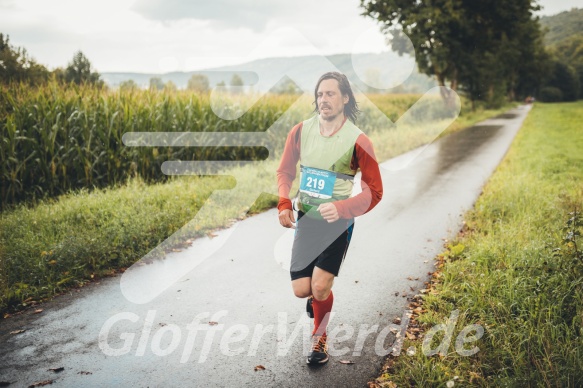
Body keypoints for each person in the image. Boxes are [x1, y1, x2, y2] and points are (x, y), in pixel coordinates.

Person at [276, 72, 383, 365]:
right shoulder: (300, 131)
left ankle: (319, 340)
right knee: (303, 290)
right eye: (320, 94)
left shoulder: (359, 140)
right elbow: (285, 171)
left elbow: (374, 190)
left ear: (345, 98)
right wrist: (284, 201)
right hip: (306, 219)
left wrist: (344, 208)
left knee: (321, 287)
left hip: (338, 224)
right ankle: (315, 300)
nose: (323, 99)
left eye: (330, 94)